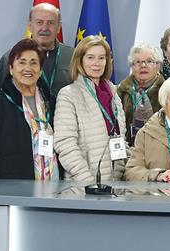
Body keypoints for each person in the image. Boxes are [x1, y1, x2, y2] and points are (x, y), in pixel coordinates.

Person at [0, 39, 56, 180]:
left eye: (33, 63)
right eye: (21, 62)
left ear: (41, 70)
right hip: (11, 191)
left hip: (54, 188)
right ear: (11, 68)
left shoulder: (52, 101)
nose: (27, 68)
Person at [54, 35, 130, 184]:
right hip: (83, 185)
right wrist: (87, 182)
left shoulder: (114, 93)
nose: (96, 63)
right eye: (90, 57)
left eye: (102, 58)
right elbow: (65, 144)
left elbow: (120, 138)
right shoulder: (68, 94)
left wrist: (122, 174)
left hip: (115, 184)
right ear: (80, 60)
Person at [0, 3, 73, 106]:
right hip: (21, 119)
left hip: (65, 119)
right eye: (39, 22)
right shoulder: (11, 57)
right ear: (30, 26)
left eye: (51, 23)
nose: (44, 28)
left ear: (58, 27)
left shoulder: (74, 57)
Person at [119, 43, 163, 145]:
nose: (143, 65)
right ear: (132, 66)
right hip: (127, 150)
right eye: (138, 62)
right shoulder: (120, 91)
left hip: (160, 150)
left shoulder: (168, 92)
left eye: (149, 61)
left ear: (158, 66)